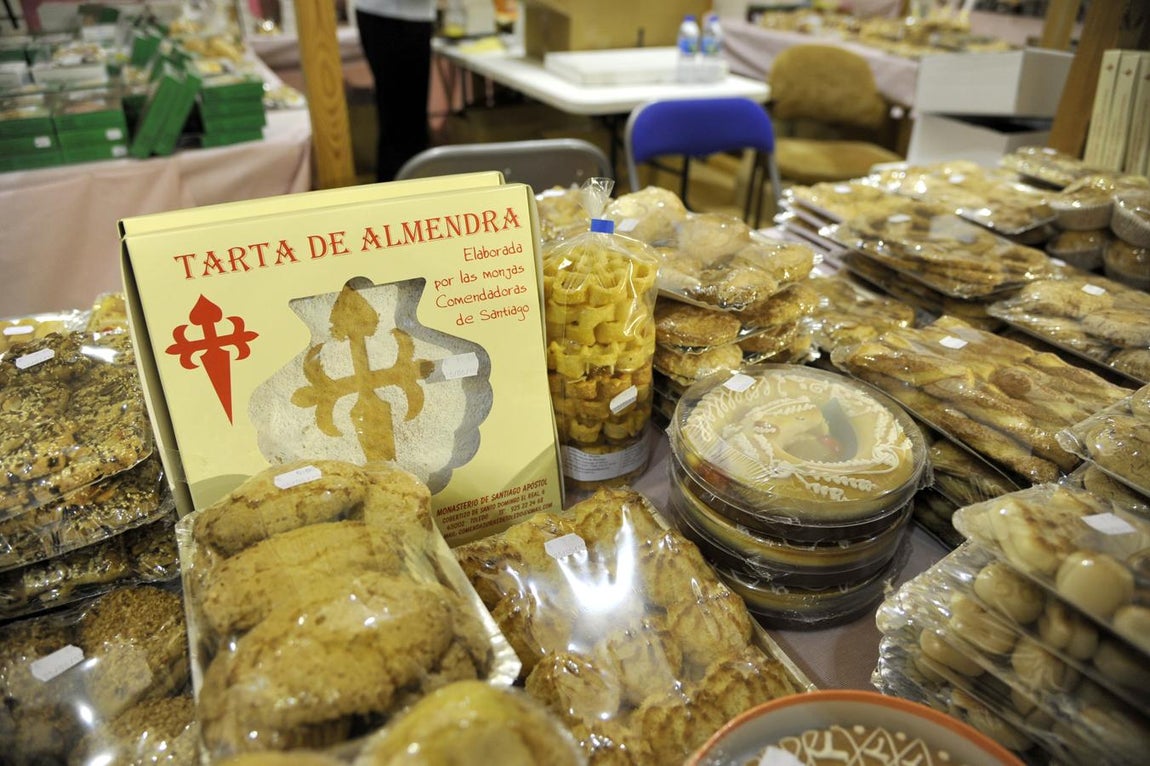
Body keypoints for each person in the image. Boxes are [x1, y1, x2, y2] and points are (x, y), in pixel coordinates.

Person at [355, 0, 436, 182]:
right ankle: (401, 192)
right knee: (403, 129)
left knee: (404, 126)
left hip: (400, 17)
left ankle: (403, 188)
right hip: (395, 18)